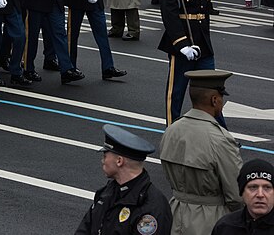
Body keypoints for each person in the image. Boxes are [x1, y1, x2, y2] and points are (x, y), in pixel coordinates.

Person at [160, 70, 243, 235]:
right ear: (214, 100)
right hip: (211, 219)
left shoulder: (172, 130)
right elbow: (236, 194)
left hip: (175, 214)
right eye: (221, 98)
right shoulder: (220, 139)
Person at [158, 0, 217, 125]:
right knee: (176, 93)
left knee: (212, 92)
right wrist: (182, 45)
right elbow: (170, 17)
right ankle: (171, 130)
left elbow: (204, 15)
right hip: (183, 45)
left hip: (203, 44)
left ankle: (218, 131)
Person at [76, 124, 172, 235]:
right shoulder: (106, 193)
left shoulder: (152, 207)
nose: (102, 161)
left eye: (105, 156)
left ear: (119, 161)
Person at [212, 159, 274, 234]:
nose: (260, 194)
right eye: (253, 187)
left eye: (267, 187)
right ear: (242, 192)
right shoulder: (225, 226)